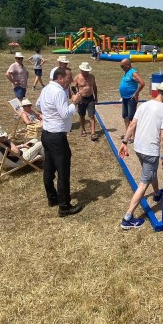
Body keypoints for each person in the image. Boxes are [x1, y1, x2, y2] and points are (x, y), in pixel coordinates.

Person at [118, 82, 163, 230]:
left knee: (150, 172)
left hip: (138, 148)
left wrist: (124, 142)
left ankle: (156, 193)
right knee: (143, 183)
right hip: (150, 151)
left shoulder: (143, 105)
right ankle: (127, 218)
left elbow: (131, 125)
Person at [37, 67, 83, 217]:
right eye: (69, 78)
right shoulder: (58, 92)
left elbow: (38, 105)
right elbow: (64, 113)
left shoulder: (46, 89)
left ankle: (52, 198)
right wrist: (74, 102)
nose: (71, 81)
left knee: (49, 169)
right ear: (60, 77)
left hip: (46, 134)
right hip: (57, 137)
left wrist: (49, 113)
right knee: (63, 172)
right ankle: (64, 206)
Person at [119, 58, 145, 137]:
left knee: (132, 117)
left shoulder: (133, 73)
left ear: (127, 65)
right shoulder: (126, 72)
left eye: (122, 66)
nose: (121, 68)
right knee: (125, 116)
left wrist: (136, 93)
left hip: (131, 99)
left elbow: (142, 83)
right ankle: (128, 133)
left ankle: (134, 136)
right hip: (125, 98)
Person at [73, 61, 99, 141]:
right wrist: (77, 96)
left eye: (87, 71)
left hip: (90, 98)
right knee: (82, 115)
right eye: (85, 71)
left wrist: (96, 97)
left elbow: (94, 87)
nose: (86, 72)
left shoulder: (92, 77)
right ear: (81, 70)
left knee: (91, 116)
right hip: (82, 99)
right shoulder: (77, 77)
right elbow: (73, 87)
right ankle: (83, 129)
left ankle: (93, 133)